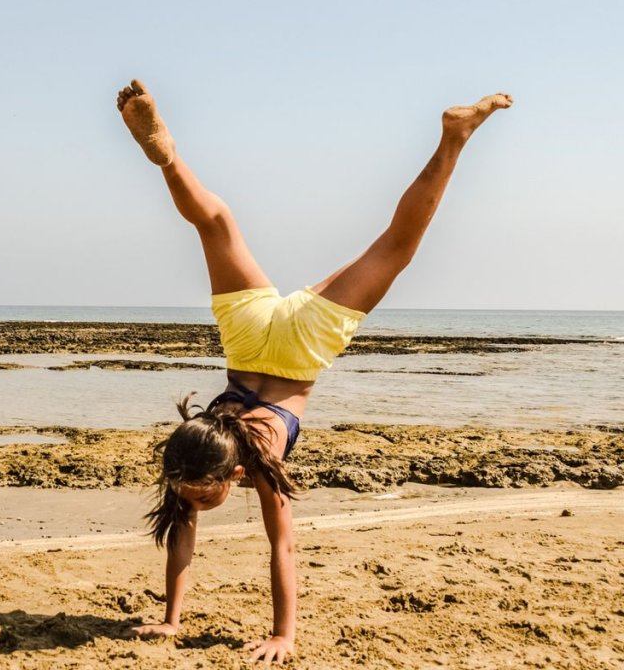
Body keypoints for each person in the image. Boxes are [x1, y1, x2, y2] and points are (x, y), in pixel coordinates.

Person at [116, 79, 512, 664]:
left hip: (298, 349)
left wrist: (285, 636)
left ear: (229, 474)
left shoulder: (261, 460)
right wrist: (171, 621)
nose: (194, 507)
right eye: (194, 498)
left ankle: (454, 137)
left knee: (398, 247)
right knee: (216, 223)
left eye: (200, 499)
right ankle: (168, 158)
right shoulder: (193, 449)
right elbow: (189, 535)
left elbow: (284, 547)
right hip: (247, 336)